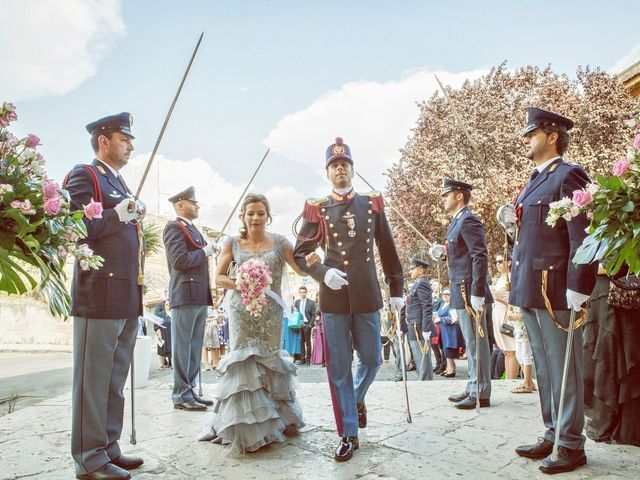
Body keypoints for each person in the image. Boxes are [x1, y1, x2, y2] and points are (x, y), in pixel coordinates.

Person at [293, 137, 404, 461]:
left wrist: (396, 290)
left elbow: (387, 248)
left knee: (372, 359)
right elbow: (302, 253)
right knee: (339, 368)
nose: (339, 169)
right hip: (334, 296)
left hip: (367, 291)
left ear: (352, 169)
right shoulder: (319, 207)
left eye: (344, 165)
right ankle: (348, 432)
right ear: (328, 173)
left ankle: (354, 401)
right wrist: (322, 272)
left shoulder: (372, 204)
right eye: (334, 166)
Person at [509, 108, 597, 474]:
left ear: (552, 136)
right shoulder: (534, 179)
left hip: (555, 287)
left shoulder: (568, 175)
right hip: (531, 285)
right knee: (545, 367)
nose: (527, 140)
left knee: (564, 367)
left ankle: (571, 443)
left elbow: (582, 233)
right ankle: (553, 431)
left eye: (532, 134)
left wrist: (581, 282)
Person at [198, 193, 310, 454]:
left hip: (270, 313)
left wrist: (315, 258)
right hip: (241, 311)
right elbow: (219, 278)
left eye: (260, 213)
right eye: (251, 213)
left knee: (269, 360)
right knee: (243, 364)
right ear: (243, 216)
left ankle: (275, 422)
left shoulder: (281, 242)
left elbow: (300, 270)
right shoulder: (232, 242)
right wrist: (243, 283)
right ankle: (238, 425)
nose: (256, 218)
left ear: (268, 216)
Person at [66, 112, 144, 480]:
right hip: (98, 293)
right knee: (93, 380)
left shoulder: (119, 182)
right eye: (124, 138)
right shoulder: (85, 175)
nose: (130, 144)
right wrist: (120, 213)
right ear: (103, 140)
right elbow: (79, 226)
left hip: (125, 293)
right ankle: (88, 456)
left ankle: (108, 446)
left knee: (114, 378)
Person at [442, 179, 493, 409]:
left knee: (476, 343)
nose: (445, 199)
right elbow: (460, 254)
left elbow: (479, 255)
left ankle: (480, 391)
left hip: (469, 291)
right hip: (460, 291)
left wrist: (478, 292)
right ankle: (474, 385)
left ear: (459, 196)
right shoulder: (457, 222)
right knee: (471, 343)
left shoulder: (468, 220)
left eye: (447, 194)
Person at [163, 186, 214, 412]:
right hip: (184, 295)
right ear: (180, 204)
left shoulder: (193, 230)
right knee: (182, 347)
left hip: (198, 294)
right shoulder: (175, 227)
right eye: (193, 202)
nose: (197, 205)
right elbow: (179, 261)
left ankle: (189, 389)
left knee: (193, 347)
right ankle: (181, 394)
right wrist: (205, 252)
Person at [406, 257, 434, 381]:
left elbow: (427, 307)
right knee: (419, 358)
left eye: (413, 269)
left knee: (422, 358)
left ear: (421, 270)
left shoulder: (422, 284)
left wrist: (427, 328)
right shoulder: (417, 284)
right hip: (414, 325)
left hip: (420, 327)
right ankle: (423, 381)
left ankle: (425, 383)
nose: (410, 271)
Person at [490, 254, 518, 379]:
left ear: (509, 262)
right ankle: (508, 378)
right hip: (497, 313)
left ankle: (511, 379)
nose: (498, 264)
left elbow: (514, 300)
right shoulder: (500, 278)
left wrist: (497, 296)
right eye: (496, 262)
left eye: (501, 261)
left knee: (511, 349)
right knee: (505, 350)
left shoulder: (511, 277)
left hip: (506, 314)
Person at [437, 289, 464, 377]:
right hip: (443, 330)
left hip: (451, 331)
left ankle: (451, 370)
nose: (445, 295)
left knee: (449, 350)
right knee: (445, 350)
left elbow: (453, 319)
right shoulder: (442, 304)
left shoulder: (452, 306)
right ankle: (448, 368)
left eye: (447, 294)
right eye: (443, 294)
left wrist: (440, 319)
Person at [294, 286, 316, 365]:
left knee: (308, 342)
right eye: (301, 292)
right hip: (299, 324)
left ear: (306, 292)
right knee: (301, 342)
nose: (302, 293)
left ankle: (308, 360)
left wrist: (310, 325)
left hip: (307, 324)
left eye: (304, 292)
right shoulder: (297, 302)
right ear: (299, 293)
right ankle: (302, 359)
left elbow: (314, 315)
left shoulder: (311, 302)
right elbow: (295, 314)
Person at [154, 301, 172, 370]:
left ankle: (173, 365)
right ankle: (161, 365)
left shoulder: (174, 314)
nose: (168, 305)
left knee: (172, 350)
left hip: (171, 334)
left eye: (169, 304)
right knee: (161, 350)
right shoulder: (160, 314)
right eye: (166, 304)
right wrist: (159, 334)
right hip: (162, 334)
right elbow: (156, 325)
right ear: (164, 306)